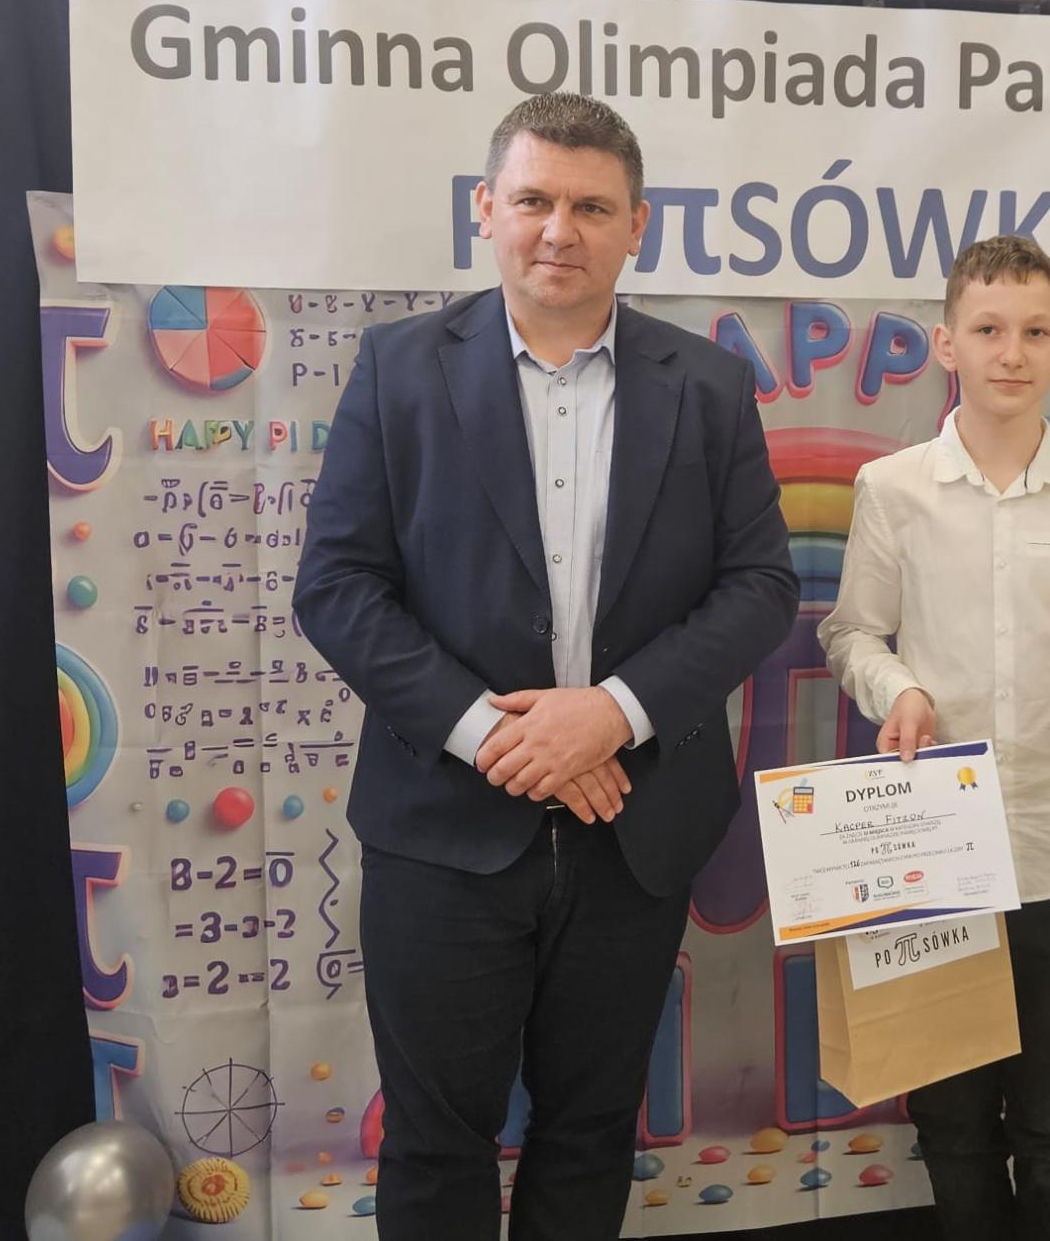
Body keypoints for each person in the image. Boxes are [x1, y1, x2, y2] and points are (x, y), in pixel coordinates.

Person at [293, 93, 798, 1240]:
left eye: (591, 207)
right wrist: (498, 734)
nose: (559, 230)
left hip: (636, 833)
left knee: (590, 1131)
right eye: (533, 200)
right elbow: (337, 588)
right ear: (486, 209)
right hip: (442, 832)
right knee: (437, 1142)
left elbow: (760, 588)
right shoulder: (398, 370)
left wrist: (611, 715)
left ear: (638, 225)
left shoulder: (708, 387)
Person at [819, 235, 1050, 1241]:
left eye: (1036, 332)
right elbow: (851, 633)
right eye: (989, 329)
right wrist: (902, 688)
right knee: (952, 1120)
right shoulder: (893, 486)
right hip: (933, 851)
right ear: (946, 344)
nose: (1012, 352)